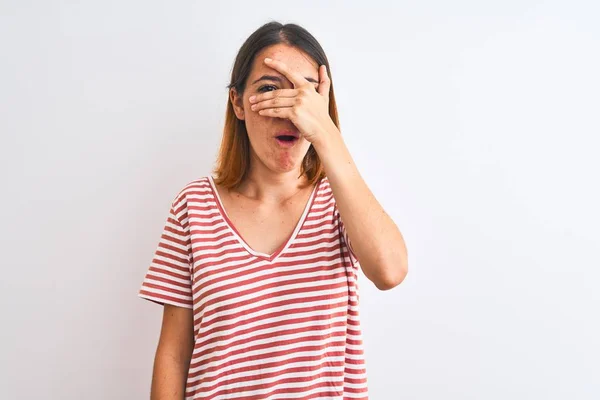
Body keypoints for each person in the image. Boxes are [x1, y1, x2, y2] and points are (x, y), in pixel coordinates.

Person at [138, 21, 408, 400]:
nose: (290, 110)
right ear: (237, 103)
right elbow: (173, 353)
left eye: (305, 95)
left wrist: (327, 133)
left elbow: (390, 271)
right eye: (269, 90)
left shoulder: (339, 200)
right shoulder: (193, 206)